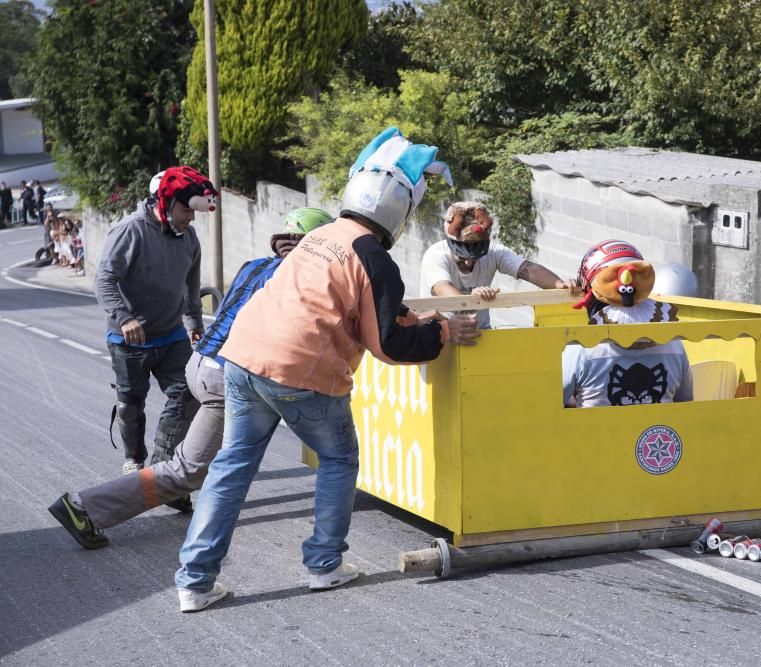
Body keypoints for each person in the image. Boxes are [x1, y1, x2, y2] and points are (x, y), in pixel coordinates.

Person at [174, 127, 480, 613]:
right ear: (398, 209)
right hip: (301, 373)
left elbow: (347, 306)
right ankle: (324, 565)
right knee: (338, 460)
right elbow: (390, 345)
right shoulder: (374, 257)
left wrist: (409, 319)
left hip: (243, 357)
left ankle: (194, 583)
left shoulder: (318, 236)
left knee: (231, 466)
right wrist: (442, 332)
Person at [47, 208, 336, 550]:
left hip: (201, 363)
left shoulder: (255, 265)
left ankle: (165, 498)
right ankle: (86, 507)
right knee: (193, 468)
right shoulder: (296, 278)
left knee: (216, 459)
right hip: (228, 376)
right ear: (317, 244)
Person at [95, 166, 218, 476]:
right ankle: (133, 459)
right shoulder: (130, 231)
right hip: (129, 339)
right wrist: (124, 318)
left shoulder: (188, 237)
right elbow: (105, 279)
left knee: (189, 392)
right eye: (187, 210)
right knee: (131, 402)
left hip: (171, 335)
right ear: (166, 202)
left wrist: (194, 324)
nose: (191, 218)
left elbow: (191, 286)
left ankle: (164, 468)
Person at [562, 240, 694, 408]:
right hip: (655, 433)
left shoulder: (581, 348)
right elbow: (685, 402)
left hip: (597, 434)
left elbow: (550, 403)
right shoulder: (674, 343)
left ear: (593, 295)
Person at [420, 201, 578, 329]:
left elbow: (526, 269)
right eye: (463, 257)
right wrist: (471, 297)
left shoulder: (494, 251)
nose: (469, 262)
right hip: (440, 335)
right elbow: (443, 288)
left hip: (479, 333)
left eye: (475, 257)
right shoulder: (436, 256)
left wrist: (559, 283)